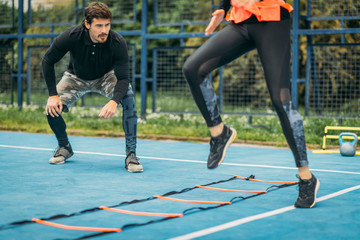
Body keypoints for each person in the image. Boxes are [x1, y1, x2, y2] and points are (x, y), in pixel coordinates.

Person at [182, 0, 320, 207]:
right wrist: (221, 7)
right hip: (242, 21)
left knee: (280, 99)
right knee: (193, 68)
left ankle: (307, 177)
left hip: (272, 20)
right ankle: (220, 134)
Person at [42, 2, 143, 173]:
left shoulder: (117, 41)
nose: (104, 30)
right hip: (76, 77)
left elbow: (124, 78)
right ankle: (64, 147)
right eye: (99, 26)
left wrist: (114, 101)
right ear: (87, 24)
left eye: (107, 25)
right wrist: (53, 94)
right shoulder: (72, 36)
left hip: (106, 77)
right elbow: (47, 60)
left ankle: (131, 154)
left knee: (128, 97)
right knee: (51, 108)